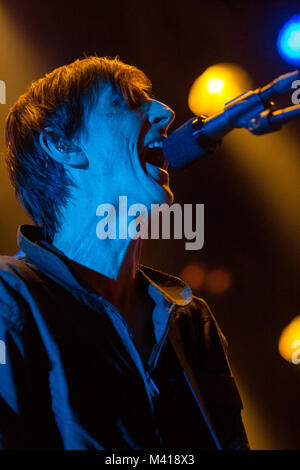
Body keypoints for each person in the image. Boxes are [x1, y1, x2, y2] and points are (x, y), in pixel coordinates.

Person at [0, 56, 249, 450]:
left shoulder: (190, 318)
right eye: (127, 102)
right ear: (62, 144)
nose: (166, 112)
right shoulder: (7, 298)